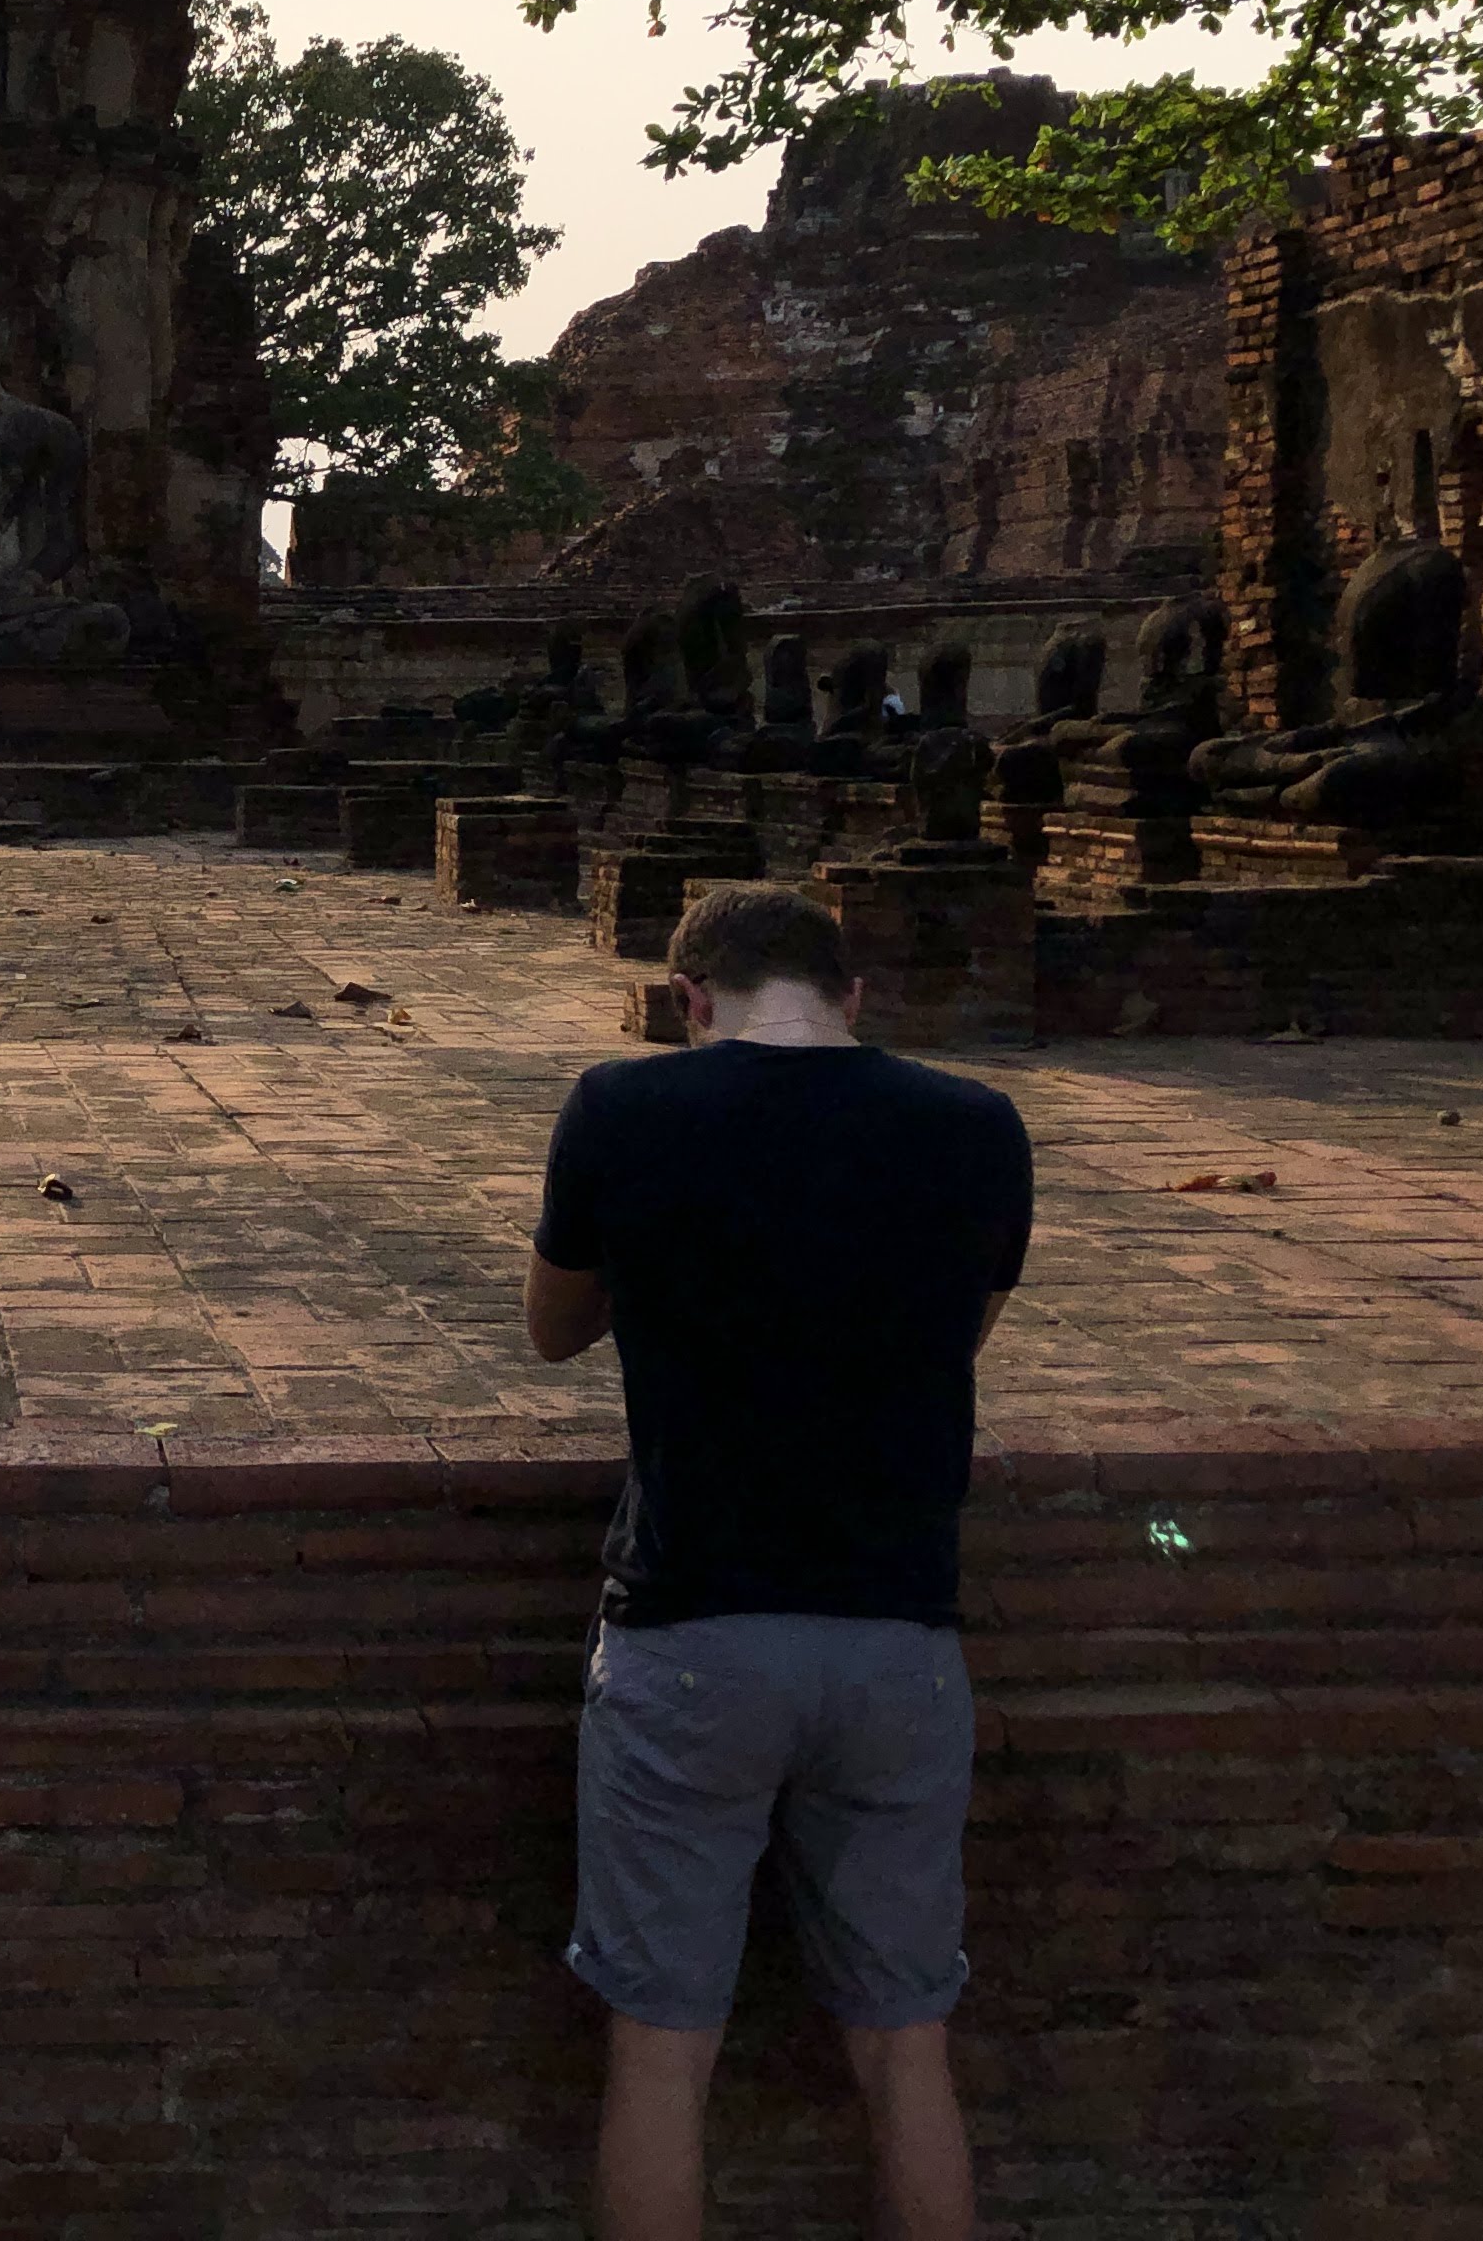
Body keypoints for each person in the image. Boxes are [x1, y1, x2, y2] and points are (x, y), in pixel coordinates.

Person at [524, 882, 1032, 2241]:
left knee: (661, 2052)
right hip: (898, 1636)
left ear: (690, 1000)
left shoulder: (623, 1110)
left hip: (693, 1627)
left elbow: (553, 1328)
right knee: (907, 2045)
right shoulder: (976, 1126)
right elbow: (955, 1333)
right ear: (853, 996)